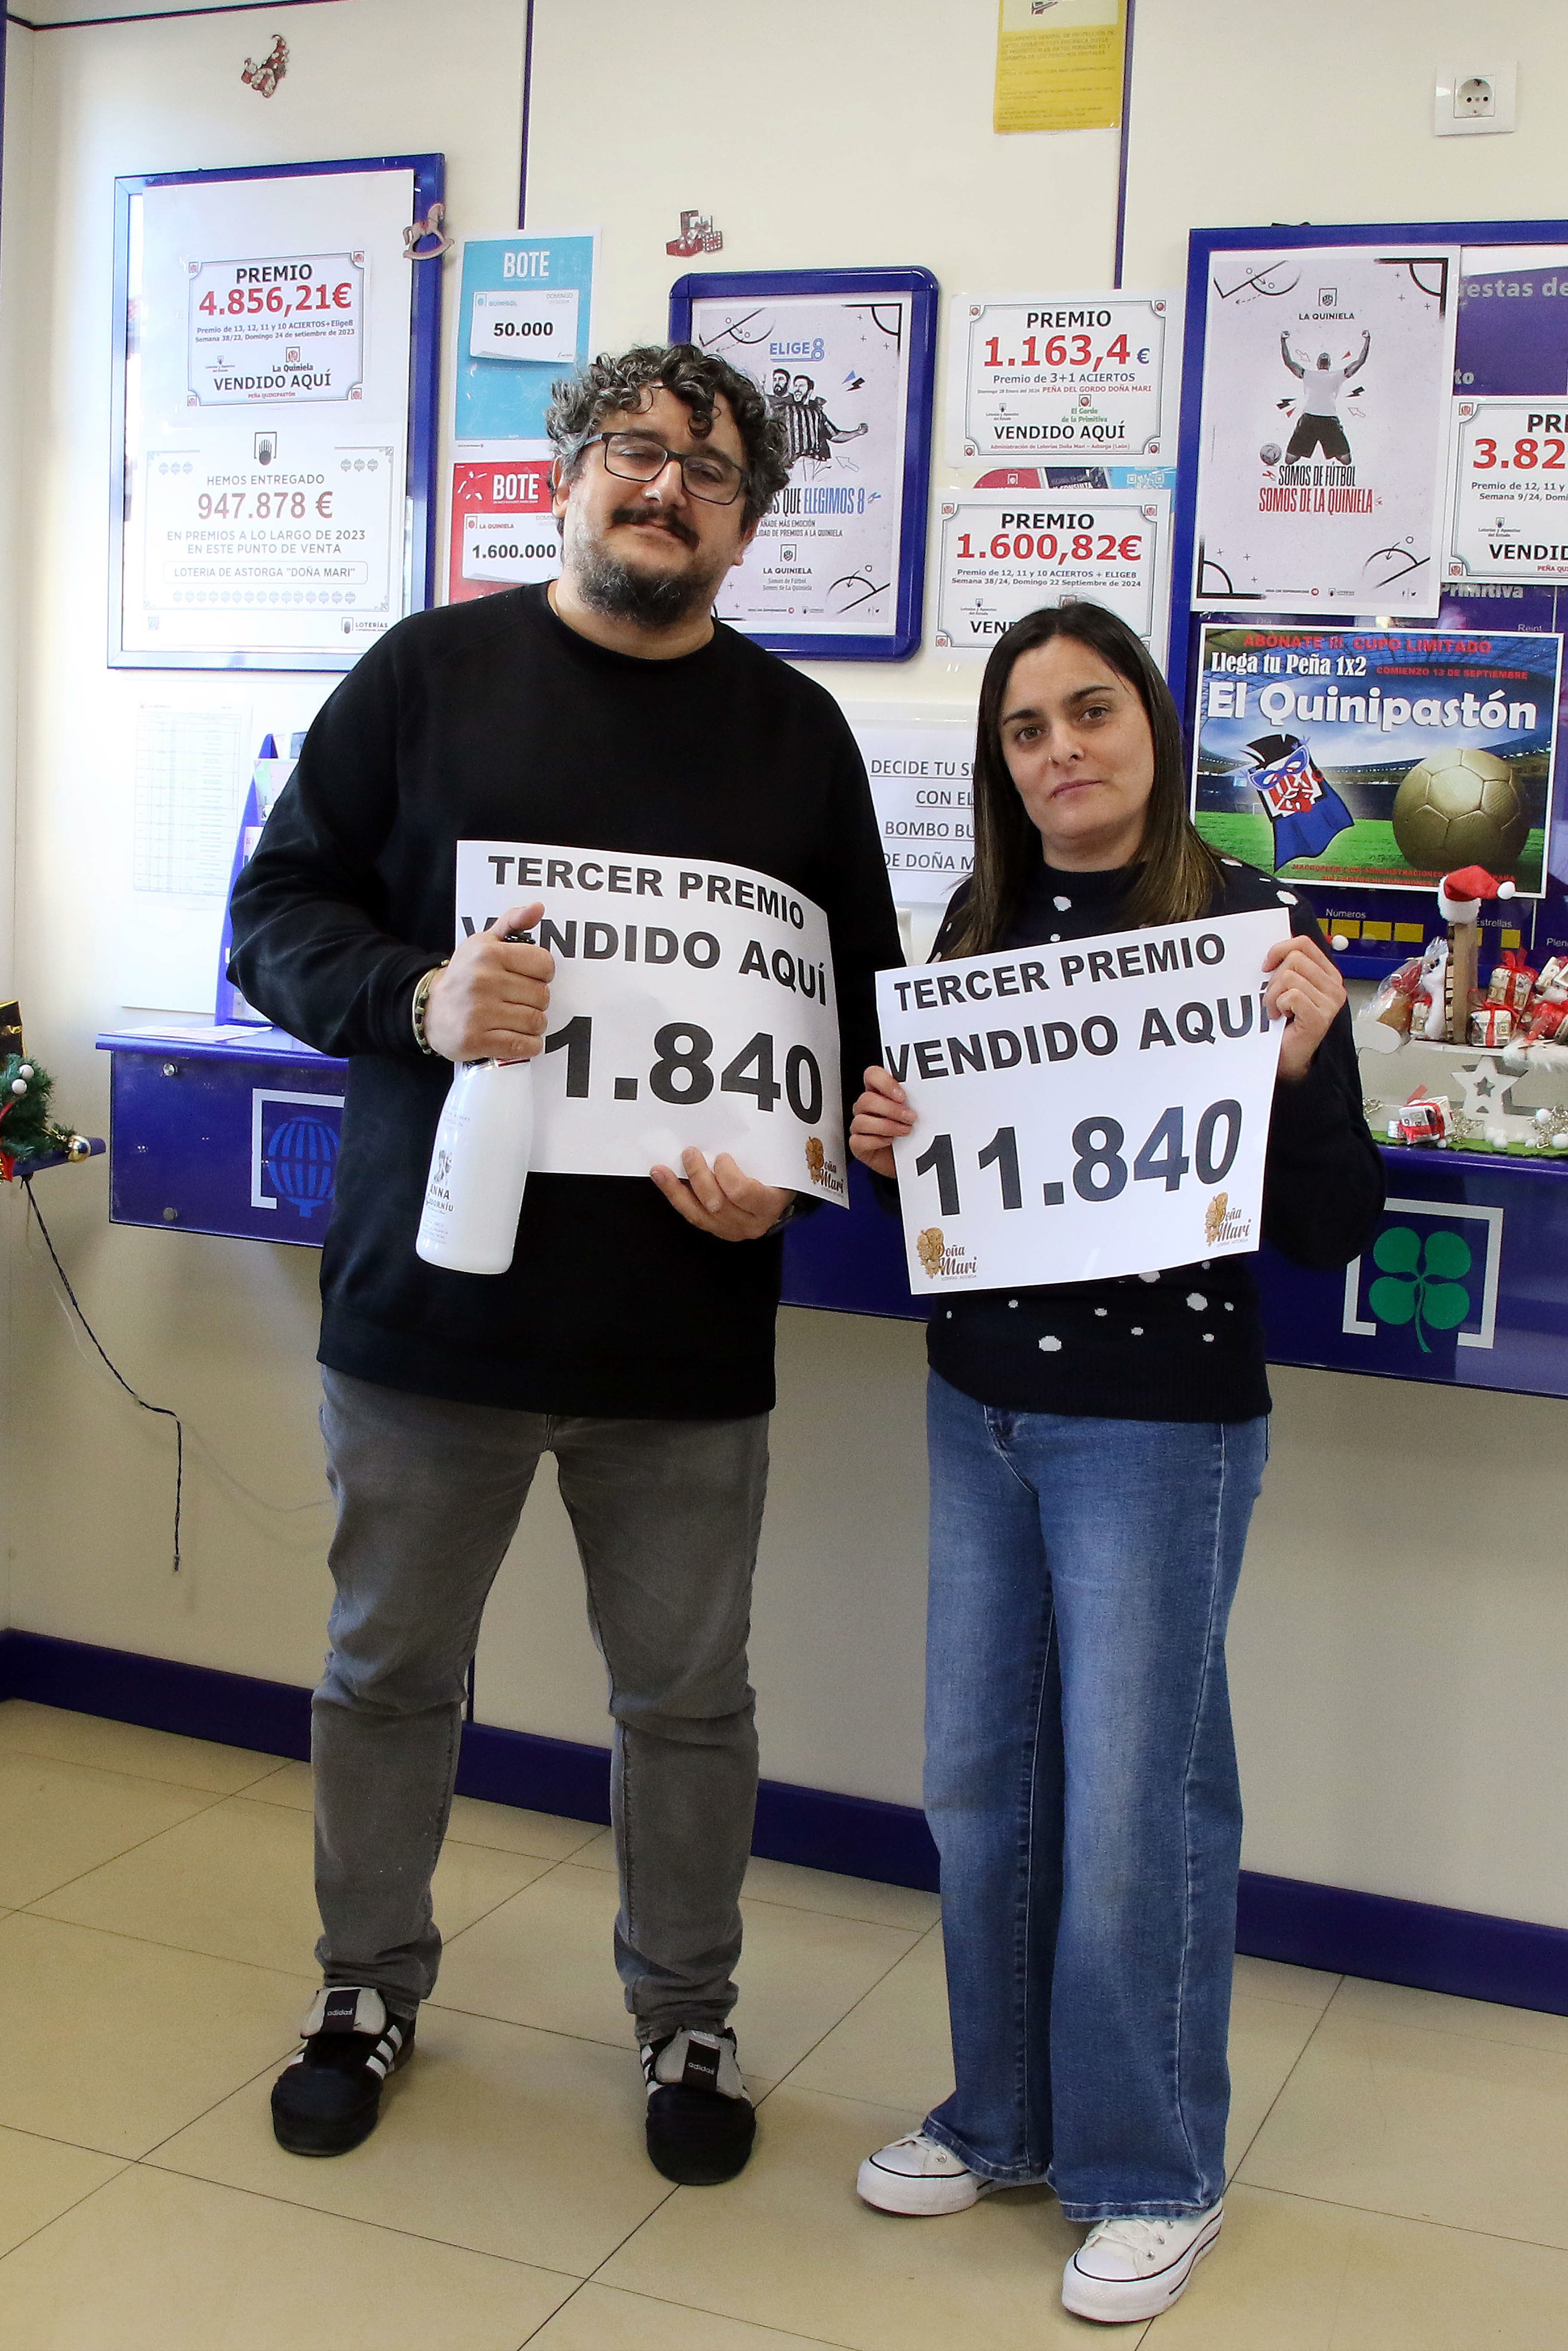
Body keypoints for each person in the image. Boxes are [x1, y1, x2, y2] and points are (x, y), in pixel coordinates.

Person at [226, 342, 901, 2184]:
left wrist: (797, 1172)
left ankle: (686, 2007)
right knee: (385, 1671)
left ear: (743, 521)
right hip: (428, 1313)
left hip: (682, 1338)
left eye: (704, 464)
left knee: (685, 1699)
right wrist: (420, 993)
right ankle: (364, 1982)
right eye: (632, 447)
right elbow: (272, 919)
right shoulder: (423, 677)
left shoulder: (795, 734)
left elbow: (853, 1035)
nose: (662, 480)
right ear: (568, 476)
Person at [846, 602, 1382, 2324]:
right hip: (981, 1405)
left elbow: (1326, 1230)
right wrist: (880, 1147)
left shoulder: (1245, 929)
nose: (1063, 750)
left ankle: (1151, 2167)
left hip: (1159, 1431)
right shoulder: (977, 923)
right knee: (982, 1784)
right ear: (1002, 767)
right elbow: (945, 1205)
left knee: (1136, 1805)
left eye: (1092, 714)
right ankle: (1000, 2114)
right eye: (1027, 730)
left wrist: (1308, 1068)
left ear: (1151, 729)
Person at [1280, 329, 1370, 465]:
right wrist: (1283, 341)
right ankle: (1309, 448)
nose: (1324, 357)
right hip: (1309, 419)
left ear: (1328, 364)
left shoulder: (1337, 375)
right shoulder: (1308, 374)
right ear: (1318, 364)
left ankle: (1330, 447)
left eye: (1326, 357)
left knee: (1346, 460)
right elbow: (1289, 363)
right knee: (1289, 460)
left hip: (1329, 421)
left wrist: (1368, 340)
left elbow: (1360, 362)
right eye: (1322, 356)